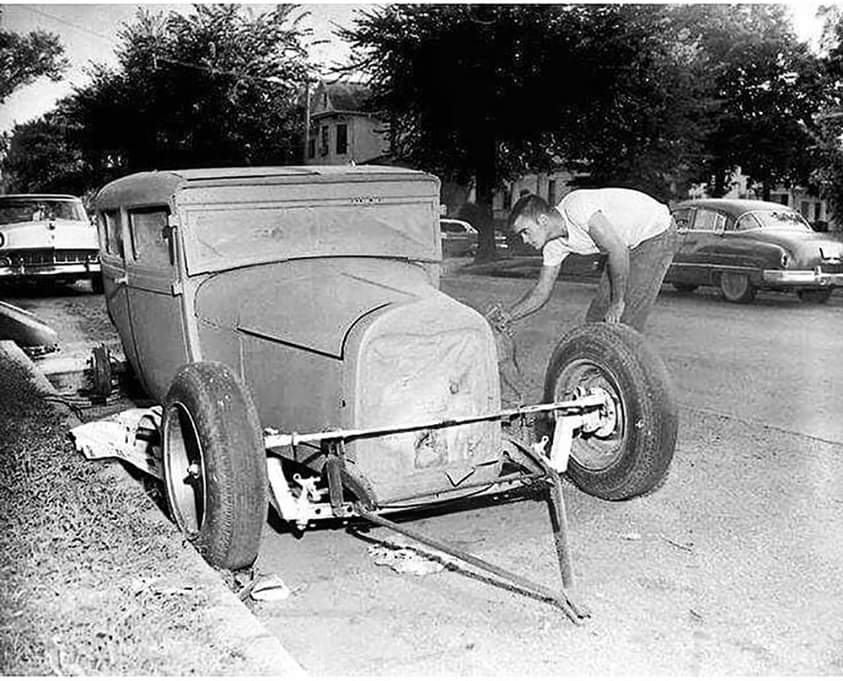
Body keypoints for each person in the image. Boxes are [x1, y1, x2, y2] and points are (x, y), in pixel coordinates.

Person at [500, 188, 678, 333]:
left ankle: (622, 374)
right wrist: (509, 316)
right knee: (597, 317)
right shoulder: (553, 246)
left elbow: (617, 250)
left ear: (543, 220)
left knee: (624, 322)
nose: (524, 239)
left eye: (525, 231)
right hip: (625, 245)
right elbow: (541, 292)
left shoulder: (576, 208)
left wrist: (617, 302)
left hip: (655, 233)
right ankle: (596, 372)